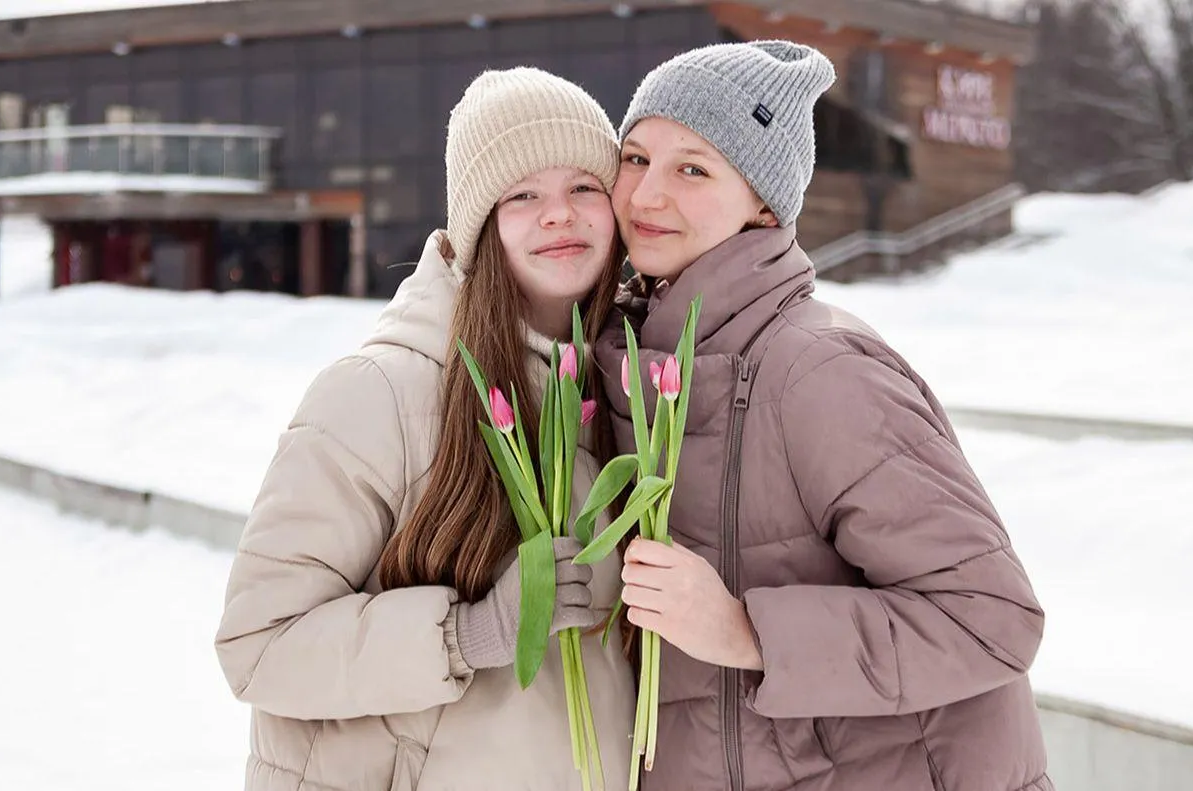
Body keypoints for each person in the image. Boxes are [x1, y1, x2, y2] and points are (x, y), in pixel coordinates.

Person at [593, 41, 1053, 791]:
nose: (645, 196)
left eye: (693, 168)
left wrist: (747, 631)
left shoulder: (820, 372)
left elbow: (991, 617)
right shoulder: (625, 363)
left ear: (765, 204)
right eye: (636, 157)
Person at [215, 67, 636, 791]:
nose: (559, 214)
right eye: (523, 194)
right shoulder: (379, 392)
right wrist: (466, 635)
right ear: (478, 224)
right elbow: (259, 647)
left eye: (583, 188)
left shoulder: (627, 393)